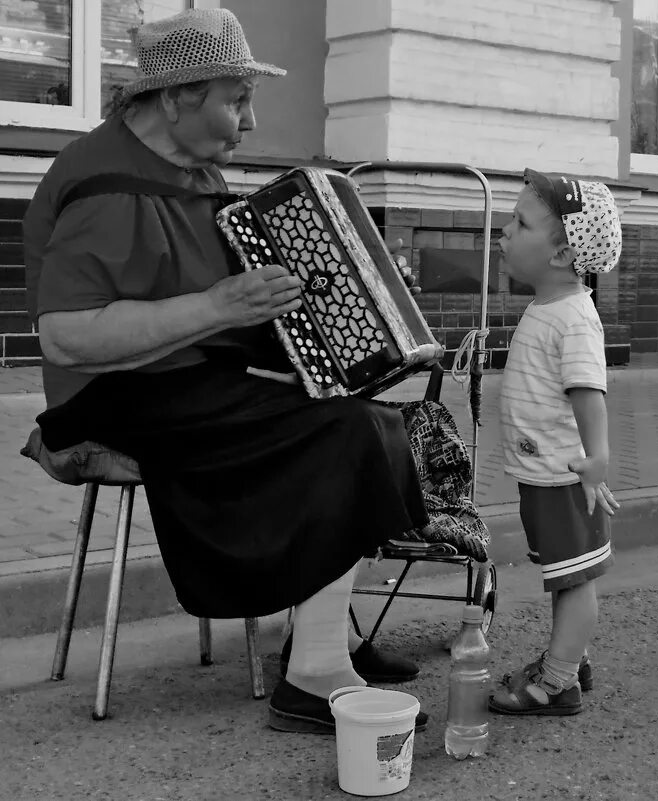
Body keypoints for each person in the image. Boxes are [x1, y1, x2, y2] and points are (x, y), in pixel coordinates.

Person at [23, 8, 429, 734]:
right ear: (178, 96)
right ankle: (312, 676)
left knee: (371, 409)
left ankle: (321, 634)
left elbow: (227, 292)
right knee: (345, 432)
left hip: (180, 374)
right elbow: (65, 335)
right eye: (234, 99)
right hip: (113, 395)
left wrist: (337, 293)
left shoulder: (189, 170)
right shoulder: (103, 182)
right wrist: (216, 306)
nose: (248, 119)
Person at [489, 169, 622, 716]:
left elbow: (589, 392)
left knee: (574, 580)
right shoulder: (549, 306)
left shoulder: (574, 317)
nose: (504, 230)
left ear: (563, 253)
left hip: (568, 476)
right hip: (544, 474)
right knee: (564, 573)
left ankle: (559, 680)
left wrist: (597, 460)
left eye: (520, 223)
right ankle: (572, 657)